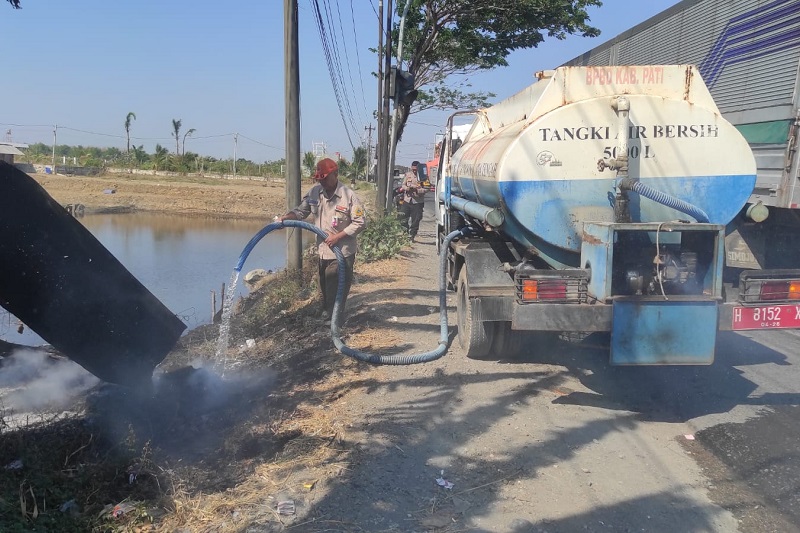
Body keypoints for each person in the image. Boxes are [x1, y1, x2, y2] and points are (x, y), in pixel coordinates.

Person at [279, 158, 366, 321]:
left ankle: (335, 324)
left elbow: (360, 223)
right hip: (323, 252)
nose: (322, 182)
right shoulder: (314, 193)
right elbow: (301, 212)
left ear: (336, 174)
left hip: (342, 253)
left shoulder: (348, 196)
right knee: (324, 287)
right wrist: (286, 218)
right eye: (320, 179)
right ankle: (328, 317)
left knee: (336, 289)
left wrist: (337, 237)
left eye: (325, 178)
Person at [399, 161, 426, 242]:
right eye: (413, 169)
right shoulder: (408, 175)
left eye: (416, 169)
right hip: (407, 199)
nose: (414, 171)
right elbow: (403, 185)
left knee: (416, 220)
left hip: (417, 201)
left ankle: (412, 235)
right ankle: (405, 233)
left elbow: (426, 189)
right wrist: (407, 188)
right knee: (402, 217)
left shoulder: (423, 177)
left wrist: (417, 190)